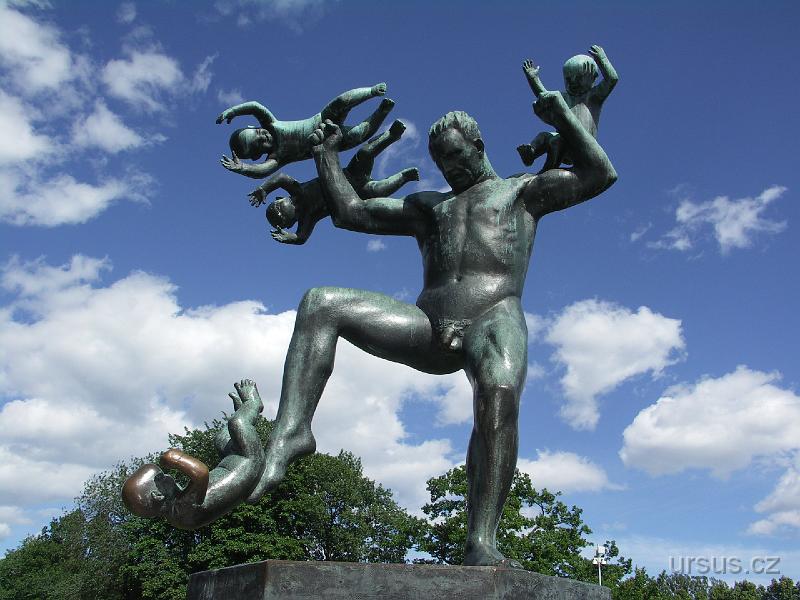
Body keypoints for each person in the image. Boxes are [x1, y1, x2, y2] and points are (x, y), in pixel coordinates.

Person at [246, 89, 616, 568]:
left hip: (493, 315)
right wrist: (325, 155)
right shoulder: (429, 208)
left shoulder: (522, 192)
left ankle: (481, 540)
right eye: (441, 161)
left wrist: (562, 113)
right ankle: (292, 432)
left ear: (479, 146)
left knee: (498, 394)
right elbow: (351, 212)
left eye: (457, 156)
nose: (450, 168)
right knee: (320, 303)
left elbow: (599, 174)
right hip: (427, 324)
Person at [122, 380, 265, 530]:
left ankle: (243, 412)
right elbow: (201, 473)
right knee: (237, 423)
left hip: (233, 461)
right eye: (161, 477)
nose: (167, 475)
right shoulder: (182, 509)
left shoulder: (177, 514)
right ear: (157, 495)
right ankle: (252, 404)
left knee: (220, 439)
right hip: (249, 462)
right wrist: (175, 459)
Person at [248, 120, 419, 245]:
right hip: (356, 196)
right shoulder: (309, 216)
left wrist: (264, 188)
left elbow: (280, 178)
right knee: (380, 190)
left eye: (288, 204)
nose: (297, 205)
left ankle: (391, 135)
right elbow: (301, 237)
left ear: (282, 198)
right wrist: (290, 238)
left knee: (365, 153)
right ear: (294, 221)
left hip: (350, 174)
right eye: (293, 212)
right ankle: (405, 176)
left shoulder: (298, 191)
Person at [216, 83, 394, 180]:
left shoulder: (271, 123)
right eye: (259, 143)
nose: (263, 136)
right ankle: (383, 111)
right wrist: (242, 168)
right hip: (327, 141)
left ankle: (372, 91)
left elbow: (255, 107)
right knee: (358, 134)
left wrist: (233, 111)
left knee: (342, 102)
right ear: (257, 155)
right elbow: (261, 172)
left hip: (320, 119)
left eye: (258, 132)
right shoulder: (277, 157)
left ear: (254, 126)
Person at [517, 45, 618, 171]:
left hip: (584, 144)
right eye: (568, 79)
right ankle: (531, 153)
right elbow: (543, 95)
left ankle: (547, 171)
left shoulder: (594, 96)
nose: (573, 82)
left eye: (578, 77)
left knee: (557, 141)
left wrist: (602, 59)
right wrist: (533, 78)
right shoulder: (565, 97)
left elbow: (612, 79)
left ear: (592, 77)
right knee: (544, 136)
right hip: (564, 141)